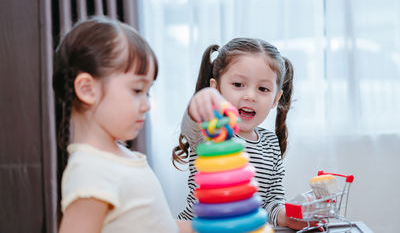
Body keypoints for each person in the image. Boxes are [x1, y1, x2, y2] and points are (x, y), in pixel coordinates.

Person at [53, 16, 192, 233]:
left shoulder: (121, 158)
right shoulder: (92, 170)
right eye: (137, 90)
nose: (146, 105)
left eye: (148, 92)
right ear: (87, 89)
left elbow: (159, 227)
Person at [172, 38, 308, 230]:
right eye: (238, 84)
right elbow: (191, 125)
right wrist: (201, 103)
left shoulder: (270, 143)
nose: (250, 96)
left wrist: (288, 216)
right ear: (216, 88)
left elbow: (270, 203)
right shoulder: (211, 131)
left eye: (263, 89)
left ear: (275, 98)